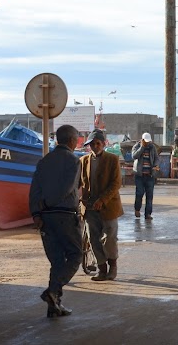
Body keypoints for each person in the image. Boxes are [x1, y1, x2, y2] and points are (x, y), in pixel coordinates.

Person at [29, 124, 82, 317]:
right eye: (76, 138)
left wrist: (37, 212)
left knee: (57, 260)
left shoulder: (43, 161)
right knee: (76, 255)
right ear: (71, 141)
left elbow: (34, 189)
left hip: (45, 219)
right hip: (65, 216)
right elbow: (68, 188)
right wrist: (49, 204)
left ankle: (54, 305)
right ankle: (53, 291)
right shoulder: (74, 161)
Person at [79, 128, 123, 281]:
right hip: (89, 207)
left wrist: (102, 200)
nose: (95, 146)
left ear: (103, 144)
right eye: (92, 144)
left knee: (109, 238)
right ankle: (101, 268)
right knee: (93, 238)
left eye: (98, 143)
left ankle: (113, 267)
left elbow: (116, 183)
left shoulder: (112, 159)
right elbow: (77, 183)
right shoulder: (83, 161)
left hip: (108, 207)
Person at [132, 132, 161, 220]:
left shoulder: (152, 148)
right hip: (139, 175)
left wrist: (156, 165)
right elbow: (134, 156)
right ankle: (137, 209)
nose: (147, 143)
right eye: (146, 142)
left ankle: (148, 214)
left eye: (148, 142)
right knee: (139, 193)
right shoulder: (137, 146)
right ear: (142, 140)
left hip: (150, 175)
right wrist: (142, 147)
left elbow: (156, 158)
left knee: (149, 195)